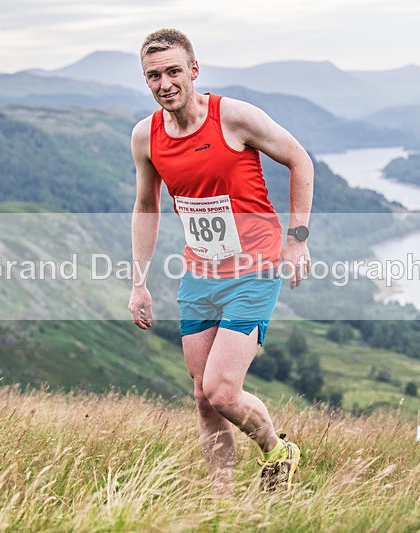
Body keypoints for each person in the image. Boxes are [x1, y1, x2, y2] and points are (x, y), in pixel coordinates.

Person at [128, 28, 313, 495]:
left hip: (255, 269)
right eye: (154, 75)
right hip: (199, 274)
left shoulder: (232, 117)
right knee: (202, 397)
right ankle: (222, 499)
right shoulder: (145, 137)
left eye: (173, 71)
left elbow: (300, 160)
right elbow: (146, 207)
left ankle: (278, 449)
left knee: (222, 389)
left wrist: (297, 240)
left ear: (194, 70)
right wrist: (139, 281)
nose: (164, 83)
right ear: (145, 80)